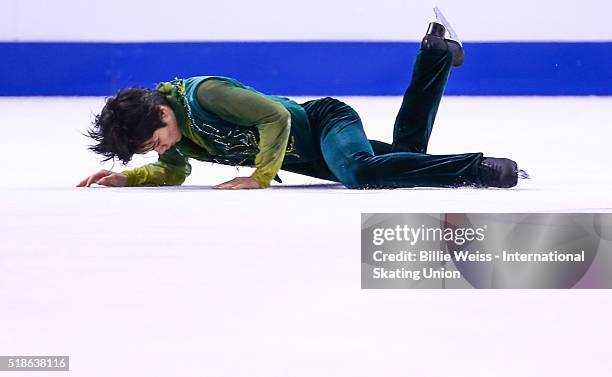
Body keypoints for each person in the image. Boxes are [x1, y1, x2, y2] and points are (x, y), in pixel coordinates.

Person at [77, 11, 524, 190]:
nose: (159, 149)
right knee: (407, 158)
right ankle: (436, 54)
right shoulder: (175, 134)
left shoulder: (204, 95)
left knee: (358, 172)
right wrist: (129, 178)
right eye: (149, 151)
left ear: (160, 111)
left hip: (324, 122)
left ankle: (479, 168)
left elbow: (274, 116)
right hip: (310, 158)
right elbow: (173, 173)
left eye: (153, 141)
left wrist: (260, 176)